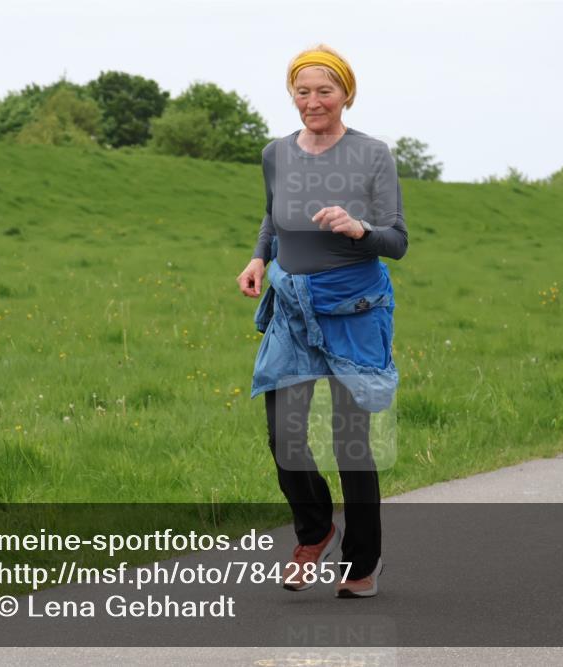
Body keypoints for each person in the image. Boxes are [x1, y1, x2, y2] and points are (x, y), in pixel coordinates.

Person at [236, 44, 408, 598]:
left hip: (355, 310)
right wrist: (260, 256)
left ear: (346, 95)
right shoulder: (276, 153)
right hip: (292, 308)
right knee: (284, 433)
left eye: (324, 91)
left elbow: (397, 240)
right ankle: (315, 531)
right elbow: (272, 211)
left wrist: (359, 229)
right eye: (302, 91)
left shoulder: (373, 154)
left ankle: (362, 563)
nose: (313, 101)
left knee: (350, 440)